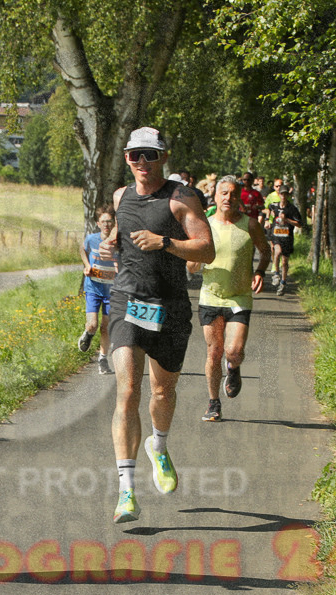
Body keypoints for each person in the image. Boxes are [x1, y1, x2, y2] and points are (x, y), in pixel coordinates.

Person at [98, 126, 215, 523]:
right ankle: (126, 491)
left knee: (162, 393)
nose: (142, 163)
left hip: (170, 306)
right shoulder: (120, 195)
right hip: (127, 299)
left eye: (150, 155)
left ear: (163, 157)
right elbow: (121, 228)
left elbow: (208, 249)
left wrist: (165, 242)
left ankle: (159, 447)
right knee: (128, 390)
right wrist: (112, 240)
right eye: (135, 156)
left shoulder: (182, 199)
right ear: (127, 159)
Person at [188, 176, 271, 422]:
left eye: (233, 194)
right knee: (214, 353)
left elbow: (265, 251)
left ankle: (233, 368)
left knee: (233, 350)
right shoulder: (205, 225)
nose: (228, 198)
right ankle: (213, 403)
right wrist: (193, 261)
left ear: (239, 198)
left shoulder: (250, 225)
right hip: (211, 296)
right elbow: (191, 265)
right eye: (224, 193)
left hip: (239, 297)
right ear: (215, 196)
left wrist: (260, 272)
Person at [78, 206, 118, 374]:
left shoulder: (118, 242)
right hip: (93, 288)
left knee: (106, 326)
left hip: (111, 291)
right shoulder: (91, 239)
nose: (107, 225)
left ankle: (102, 359)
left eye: (110, 221)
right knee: (93, 324)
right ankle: (87, 333)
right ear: (98, 223)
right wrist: (87, 266)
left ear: (114, 223)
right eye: (103, 221)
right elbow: (82, 249)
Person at [268, 185, 302, 295]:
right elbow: (268, 209)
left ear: (288, 195)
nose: (283, 196)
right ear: (279, 194)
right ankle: (276, 274)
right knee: (277, 252)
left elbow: (299, 224)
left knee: (285, 261)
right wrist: (268, 220)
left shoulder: (292, 209)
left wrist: (286, 219)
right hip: (276, 235)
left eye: (285, 194)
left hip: (287, 237)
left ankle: (283, 282)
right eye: (281, 194)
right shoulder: (274, 206)